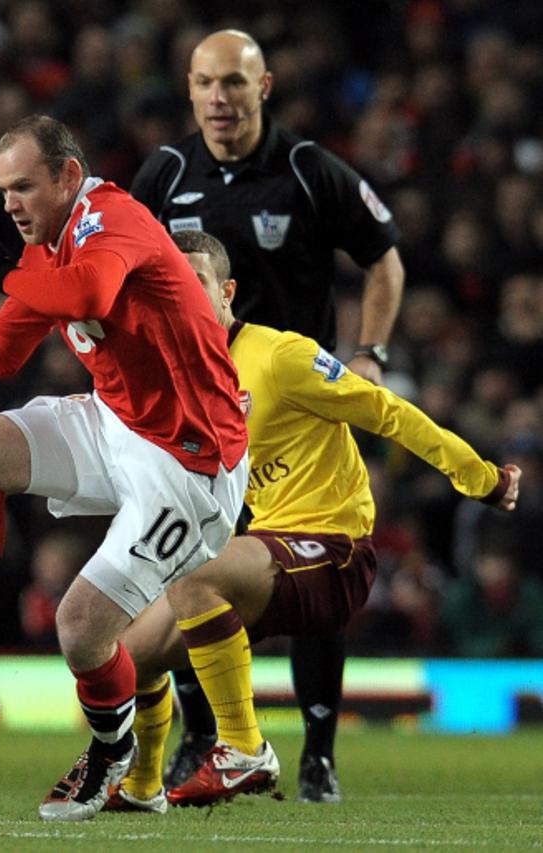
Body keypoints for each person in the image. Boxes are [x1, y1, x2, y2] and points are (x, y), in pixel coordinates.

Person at [0, 115, 249, 822]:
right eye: (2, 190)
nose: (9, 204)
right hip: (118, 421)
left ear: (66, 176)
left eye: (22, 186)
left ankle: (108, 755)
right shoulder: (51, 241)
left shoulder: (113, 216)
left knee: (81, 626)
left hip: (191, 461)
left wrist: (3, 270)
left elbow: (86, 296)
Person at [109, 230, 518, 812]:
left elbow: (388, 413)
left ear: (226, 293)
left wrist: (482, 478)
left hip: (335, 548)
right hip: (267, 551)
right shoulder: (174, 382)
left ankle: (242, 747)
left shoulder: (280, 356)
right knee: (129, 655)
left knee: (193, 576)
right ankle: (144, 784)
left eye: (195, 285)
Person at [129, 28, 407, 803]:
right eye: (205, 84)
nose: (219, 98)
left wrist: (369, 355)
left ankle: (317, 752)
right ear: (187, 90)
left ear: (265, 87)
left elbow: (383, 256)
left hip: (293, 413)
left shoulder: (307, 170)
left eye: (234, 84)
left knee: (307, 581)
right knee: (187, 565)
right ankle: (200, 737)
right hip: (196, 416)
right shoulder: (167, 172)